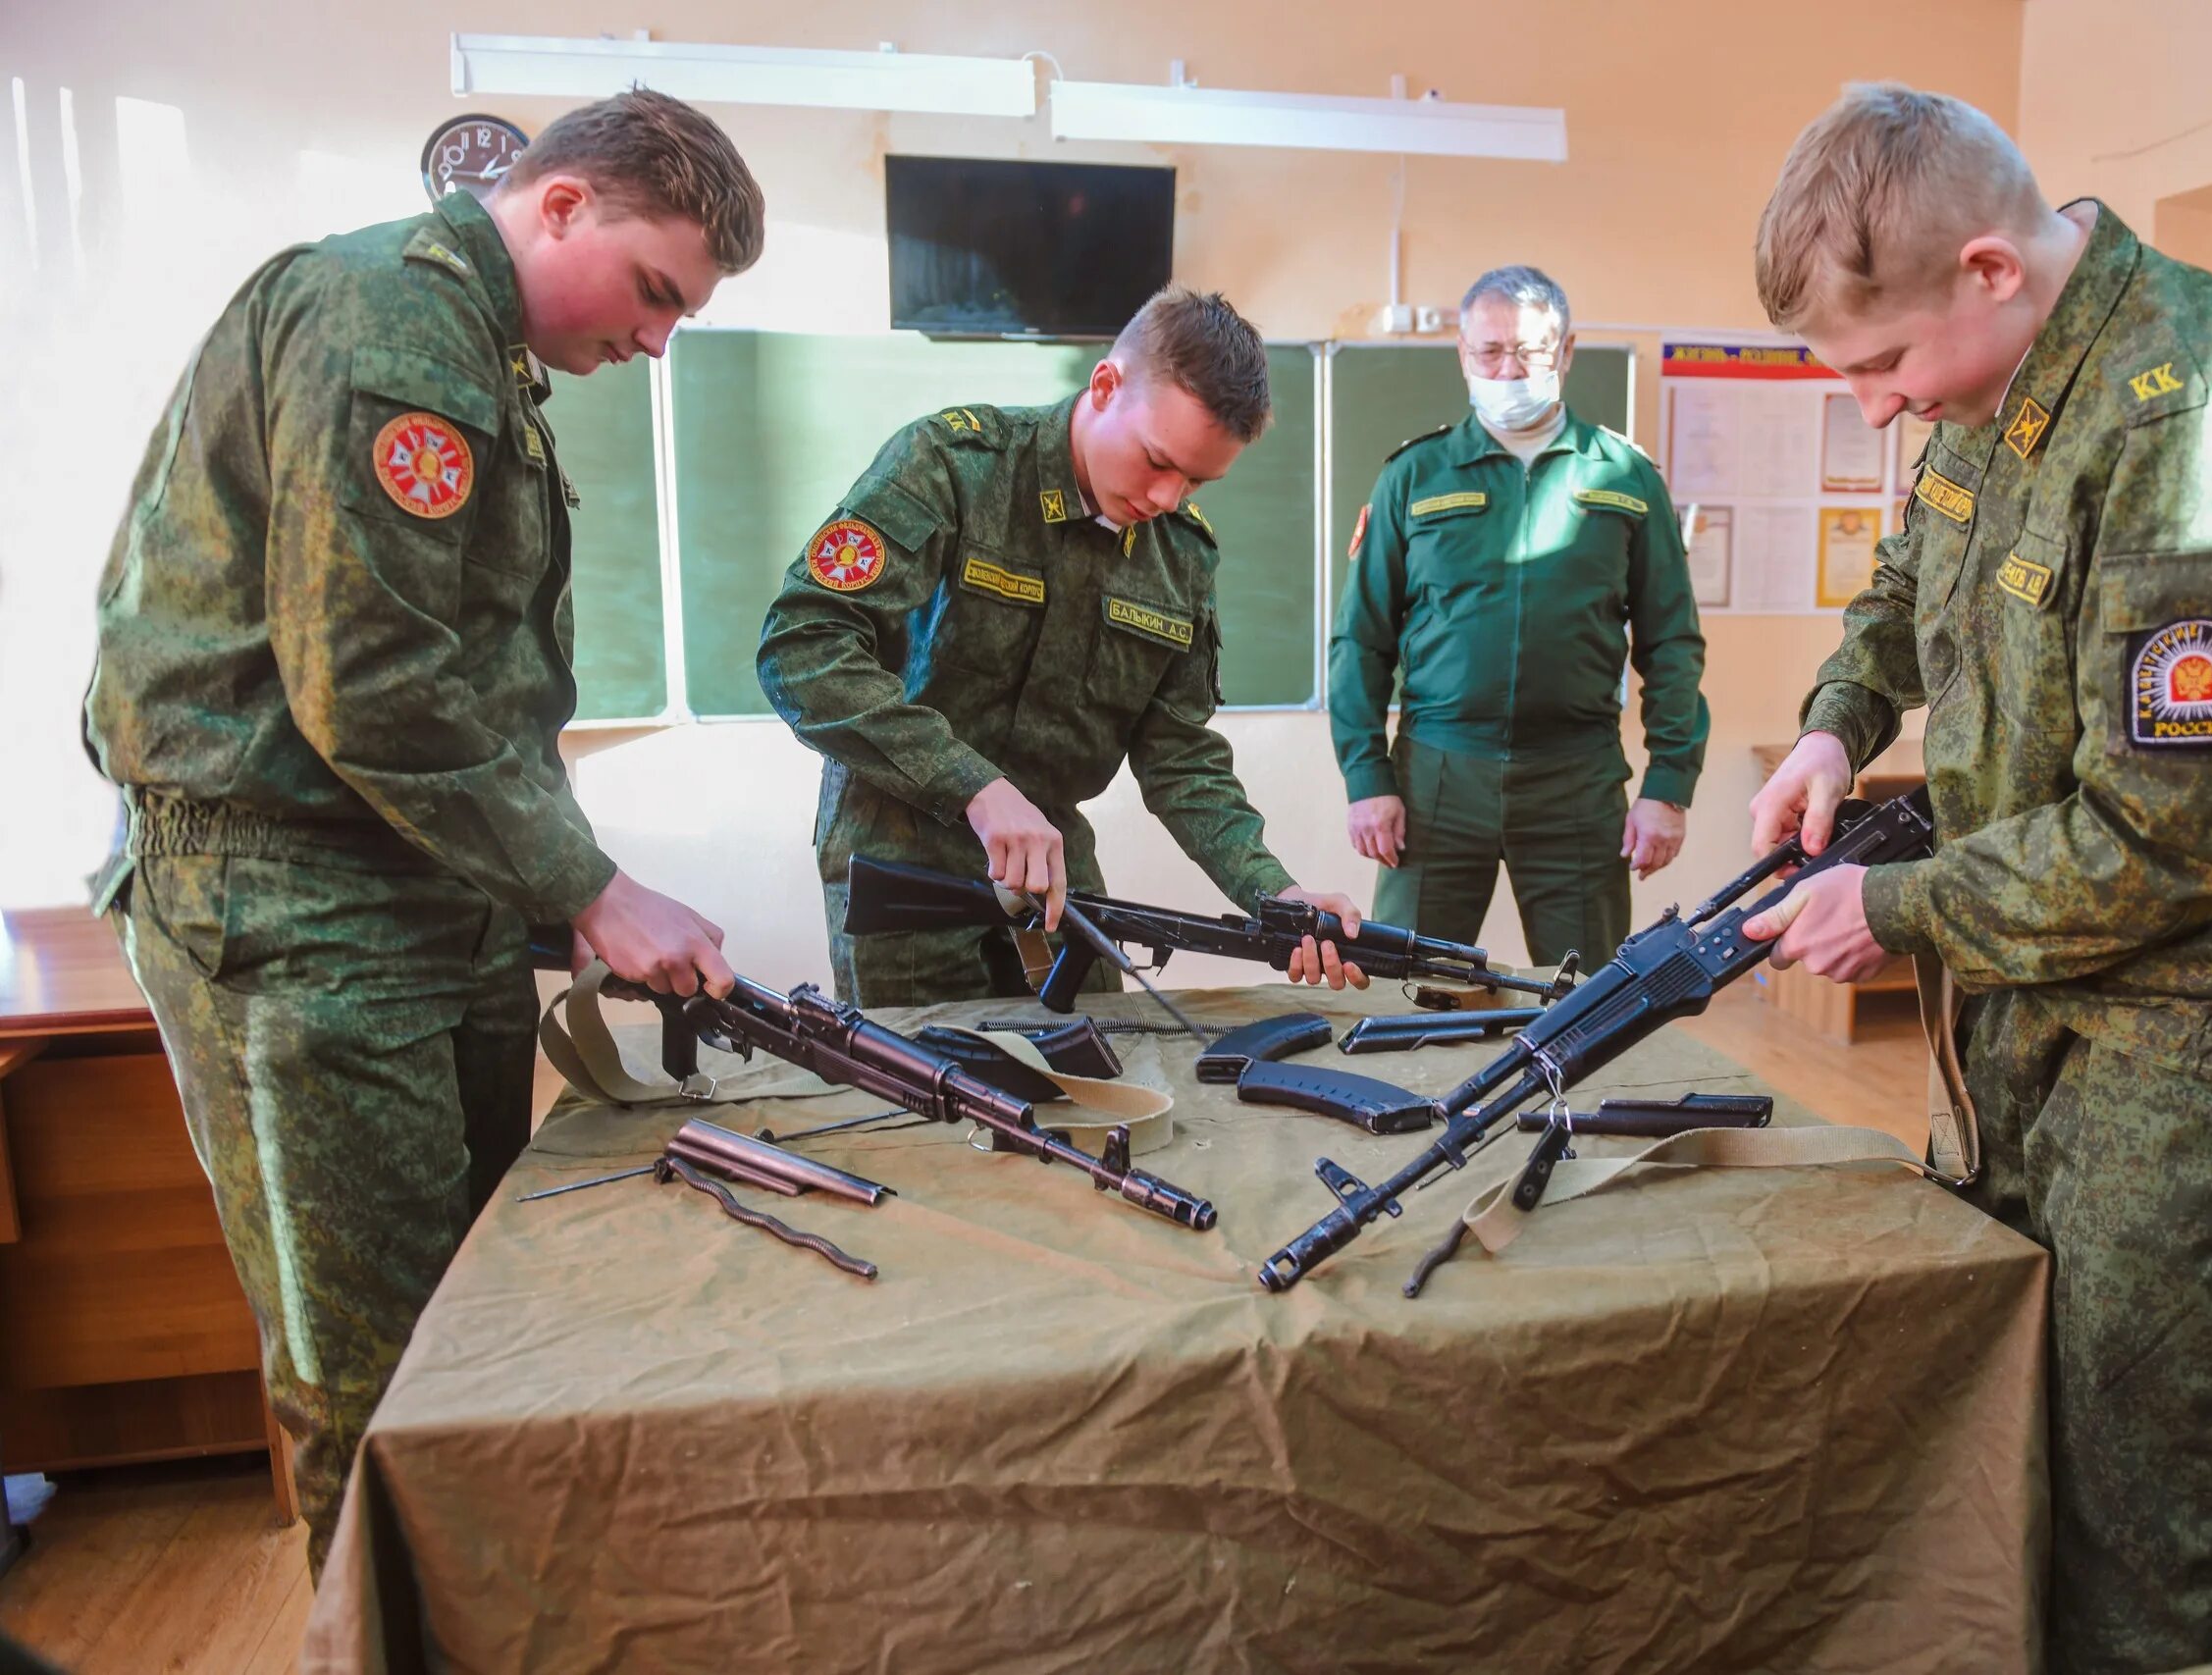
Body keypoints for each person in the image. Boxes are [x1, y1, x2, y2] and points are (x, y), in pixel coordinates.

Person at [1742, 84, 2212, 1673]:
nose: (1883, 412)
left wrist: (1892, 909)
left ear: (1985, 267)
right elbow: (1911, 583)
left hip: (2198, 1036)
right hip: (2034, 1001)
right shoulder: (1995, 386)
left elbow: (2175, 829)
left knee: (2150, 1498)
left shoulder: (2198, 422)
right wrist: (1838, 727)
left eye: (1886, 367)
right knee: (2011, 1415)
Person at [81, 90, 764, 1575]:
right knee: (377, 1370)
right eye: (657, 292)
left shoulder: (478, 354)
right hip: (299, 902)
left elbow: (476, 688)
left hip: (409, 888)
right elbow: (374, 685)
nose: (656, 342)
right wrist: (590, 887)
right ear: (564, 203)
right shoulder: (391, 322)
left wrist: (557, 886)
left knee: (470, 1324)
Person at [759, 286, 1365, 1004]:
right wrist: (975, 788)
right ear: (1105, 386)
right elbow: (803, 646)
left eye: (1197, 482)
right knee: (928, 1095)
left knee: (1107, 1083)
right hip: (903, 864)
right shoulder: (953, 466)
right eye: (1157, 460)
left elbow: (1180, 759)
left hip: (1053, 875)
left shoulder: (1181, 556)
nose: (1168, 498)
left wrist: (1274, 890)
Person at [1330, 265, 1706, 968]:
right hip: (1437, 774)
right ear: (1463, 355)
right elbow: (1361, 640)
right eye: (1490, 351)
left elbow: (1672, 644)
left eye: (1530, 350)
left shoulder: (1625, 478)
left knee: (1589, 1001)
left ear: (1565, 353)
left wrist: (1669, 786)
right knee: (1407, 989)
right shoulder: (1415, 475)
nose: (1509, 367)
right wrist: (1365, 778)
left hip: (1576, 777)